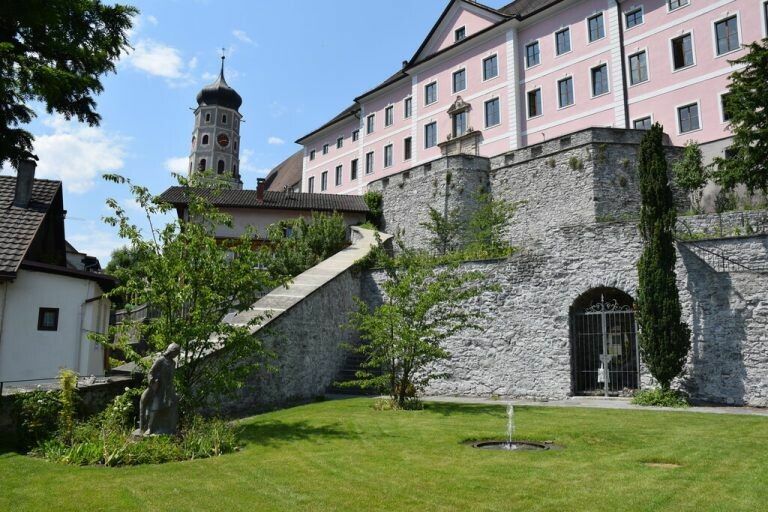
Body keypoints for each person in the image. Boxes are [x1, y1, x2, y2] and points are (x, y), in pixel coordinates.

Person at [136, 343, 181, 435]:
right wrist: (152, 380)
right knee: (155, 408)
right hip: (159, 388)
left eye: (177, 353)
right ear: (171, 351)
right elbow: (151, 372)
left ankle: (169, 427)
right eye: (175, 353)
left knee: (171, 406)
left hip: (168, 388)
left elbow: (171, 377)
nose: (176, 355)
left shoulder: (173, 363)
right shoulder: (161, 360)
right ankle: (150, 428)